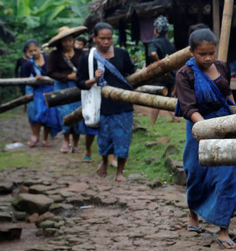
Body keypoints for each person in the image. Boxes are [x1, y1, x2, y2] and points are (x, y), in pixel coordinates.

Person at [175, 27, 236, 249]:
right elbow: (188, 107)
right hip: (198, 127)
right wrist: (206, 127)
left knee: (228, 175)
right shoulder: (185, 74)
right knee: (196, 172)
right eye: (202, 54)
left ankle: (224, 230)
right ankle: (193, 214)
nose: (208, 58)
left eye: (211, 53)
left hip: (225, 126)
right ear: (192, 52)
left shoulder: (222, 66)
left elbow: (227, 94)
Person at [75, 22, 137, 181]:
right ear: (94, 38)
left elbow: (133, 71)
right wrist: (93, 80)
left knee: (123, 139)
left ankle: (120, 172)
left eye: (109, 38)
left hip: (123, 105)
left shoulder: (122, 54)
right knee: (104, 139)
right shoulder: (87, 58)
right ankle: (103, 162)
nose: (106, 42)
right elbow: (80, 82)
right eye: (102, 38)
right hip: (101, 106)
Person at [46, 25, 95, 156]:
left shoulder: (81, 53)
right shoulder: (55, 55)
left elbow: (87, 68)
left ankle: (75, 143)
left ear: (73, 40)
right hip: (62, 87)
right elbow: (50, 72)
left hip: (78, 87)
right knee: (65, 113)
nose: (68, 43)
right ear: (60, 42)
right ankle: (66, 141)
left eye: (69, 40)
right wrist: (67, 76)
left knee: (78, 114)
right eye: (65, 41)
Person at [20, 39, 61, 147]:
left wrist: (44, 78)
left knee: (50, 114)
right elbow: (23, 80)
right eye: (31, 51)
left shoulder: (48, 59)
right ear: (27, 52)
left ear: (39, 48)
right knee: (38, 114)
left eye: (35, 50)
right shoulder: (28, 64)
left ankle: (45, 139)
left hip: (51, 89)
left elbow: (55, 73)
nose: (33, 53)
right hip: (37, 91)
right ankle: (35, 136)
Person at [147, 15, 177, 127]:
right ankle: (175, 117)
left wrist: (159, 63)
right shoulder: (170, 44)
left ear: (156, 30)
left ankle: (152, 124)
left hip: (160, 75)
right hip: (170, 74)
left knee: (157, 99)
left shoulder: (154, 43)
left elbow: (153, 53)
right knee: (167, 97)